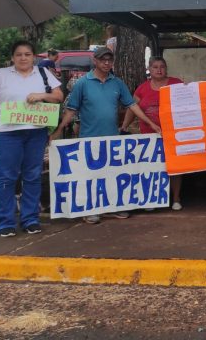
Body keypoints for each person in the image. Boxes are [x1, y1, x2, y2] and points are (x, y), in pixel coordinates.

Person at [52, 47, 160, 224]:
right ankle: (91, 210)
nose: (107, 63)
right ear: (95, 60)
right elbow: (71, 111)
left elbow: (132, 105)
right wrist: (57, 132)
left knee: (112, 175)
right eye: (103, 60)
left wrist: (151, 124)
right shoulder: (82, 83)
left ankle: (115, 207)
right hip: (89, 138)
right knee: (90, 177)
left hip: (112, 139)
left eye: (110, 60)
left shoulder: (117, 83)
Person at [0, 42, 64, 237]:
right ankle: (5, 222)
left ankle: (30, 220)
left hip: (36, 132)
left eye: (27, 54)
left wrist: (41, 95)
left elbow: (59, 96)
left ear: (33, 56)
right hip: (8, 134)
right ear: (12, 57)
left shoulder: (43, 73)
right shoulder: (1, 74)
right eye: (18, 54)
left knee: (32, 176)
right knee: (6, 178)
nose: (23, 58)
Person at [120, 57, 185, 210]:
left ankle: (176, 198)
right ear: (149, 69)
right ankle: (152, 198)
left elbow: (187, 102)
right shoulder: (142, 88)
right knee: (151, 168)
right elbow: (132, 108)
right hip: (148, 135)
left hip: (172, 134)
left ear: (166, 68)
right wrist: (123, 126)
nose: (159, 69)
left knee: (174, 167)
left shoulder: (176, 83)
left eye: (162, 66)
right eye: (155, 67)